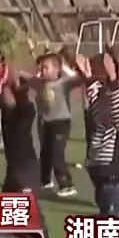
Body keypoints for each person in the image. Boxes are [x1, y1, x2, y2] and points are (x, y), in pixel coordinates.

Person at [82, 51, 119, 220]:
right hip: (105, 183)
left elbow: (114, 99)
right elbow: (94, 95)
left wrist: (112, 77)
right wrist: (89, 76)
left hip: (112, 183)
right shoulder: (100, 111)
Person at [35, 49, 82, 198]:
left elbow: (79, 79)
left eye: (46, 67)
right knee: (45, 153)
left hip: (61, 123)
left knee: (57, 154)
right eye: (41, 68)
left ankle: (67, 185)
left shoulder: (64, 83)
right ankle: (45, 181)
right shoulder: (40, 84)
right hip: (46, 123)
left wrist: (74, 66)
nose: (42, 70)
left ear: (56, 69)